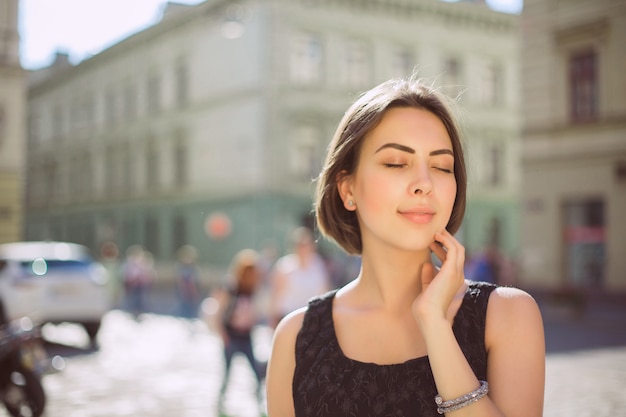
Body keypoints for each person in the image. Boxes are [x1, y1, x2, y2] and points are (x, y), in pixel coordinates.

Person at [266, 76, 545, 417]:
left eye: (442, 167)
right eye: (397, 163)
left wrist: (436, 326)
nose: (424, 184)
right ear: (347, 189)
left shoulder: (508, 315)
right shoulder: (295, 339)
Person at [211, 249, 266, 415]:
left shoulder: (252, 290)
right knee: (227, 372)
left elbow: (256, 311)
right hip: (232, 336)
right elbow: (218, 312)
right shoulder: (231, 288)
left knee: (256, 371)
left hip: (246, 336)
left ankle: (258, 399)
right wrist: (223, 335)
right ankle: (220, 401)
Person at [269, 226, 332, 328]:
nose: (304, 248)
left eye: (307, 245)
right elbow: (275, 295)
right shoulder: (285, 266)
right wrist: (273, 320)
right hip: (288, 318)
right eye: (301, 245)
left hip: (312, 317)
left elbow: (325, 290)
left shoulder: (318, 265)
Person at [174, 244, 202, 318]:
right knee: (186, 307)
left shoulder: (192, 267)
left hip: (189, 291)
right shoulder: (184, 268)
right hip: (187, 291)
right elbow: (184, 281)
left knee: (189, 307)